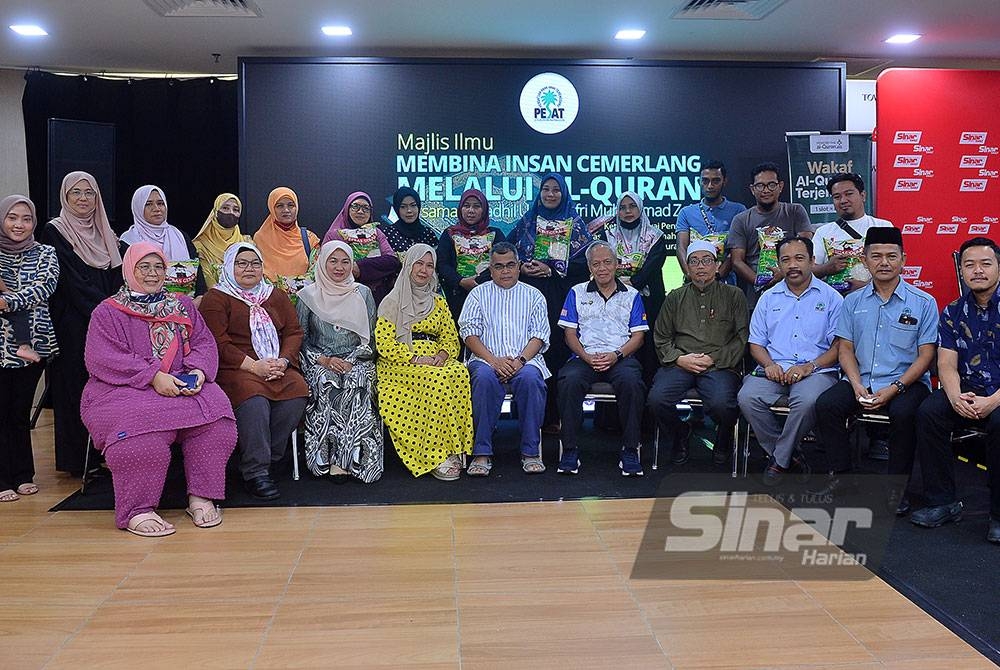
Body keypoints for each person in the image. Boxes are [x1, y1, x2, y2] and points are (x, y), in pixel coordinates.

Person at [80, 242, 236, 535]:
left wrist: (198, 371)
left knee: (217, 421)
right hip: (124, 390)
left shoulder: (183, 306)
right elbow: (102, 357)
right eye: (144, 267)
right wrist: (152, 376)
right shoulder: (107, 312)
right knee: (140, 438)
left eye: (158, 267)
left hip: (180, 383)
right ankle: (137, 510)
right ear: (129, 269)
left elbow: (203, 342)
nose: (152, 274)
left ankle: (201, 496)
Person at [811, 227, 937, 512]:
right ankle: (841, 477)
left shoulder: (923, 302)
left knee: (905, 413)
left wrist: (895, 389)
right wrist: (855, 384)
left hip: (906, 382)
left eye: (892, 256)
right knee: (827, 405)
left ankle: (896, 488)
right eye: (876, 256)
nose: (884, 262)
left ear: (903, 260)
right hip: (862, 378)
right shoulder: (852, 302)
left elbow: (926, 355)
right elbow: (845, 349)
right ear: (864, 260)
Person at [200, 242, 309, 500]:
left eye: (255, 263)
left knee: (297, 390)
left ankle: (266, 457)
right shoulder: (217, 298)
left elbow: (293, 331)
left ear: (263, 267)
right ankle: (256, 472)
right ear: (229, 266)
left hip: (274, 364)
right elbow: (217, 341)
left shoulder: (275, 295)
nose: (249, 268)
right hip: (236, 367)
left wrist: (283, 361)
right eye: (241, 263)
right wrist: (254, 366)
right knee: (254, 398)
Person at [910, 237, 1000, 543]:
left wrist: (993, 401)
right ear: (960, 270)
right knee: (929, 412)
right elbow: (946, 364)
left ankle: (998, 514)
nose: (977, 270)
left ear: (998, 267)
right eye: (969, 264)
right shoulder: (952, 311)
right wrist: (954, 396)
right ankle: (942, 502)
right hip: (967, 388)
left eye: (985, 264)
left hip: (999, 394)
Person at [737, 236, 842, 485]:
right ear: (779, 264)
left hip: (817, 369)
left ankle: (779, 460)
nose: (792, 265)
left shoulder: (832, 298)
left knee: (807, 401)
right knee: (747, 397)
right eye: (786, 259)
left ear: (812, 261)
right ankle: (788, 454)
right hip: (774, 368)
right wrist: (769, 365)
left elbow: (839, 347)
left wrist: (809, 366)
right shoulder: (768, 298)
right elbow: (756, 344)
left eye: (799, 258)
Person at [42, 172, 124, 476]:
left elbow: (116, 275)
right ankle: (76, 460)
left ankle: (104, 452)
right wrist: (107, 311)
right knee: (74, 387)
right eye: (75, 192)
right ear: (65, 196)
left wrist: (114, 312)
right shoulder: (55, 231)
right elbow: (70, 280)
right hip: (74, 324)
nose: (82, 199)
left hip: (108, 322)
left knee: (106, 388)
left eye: (89, 193)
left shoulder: (106, 232)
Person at [375, 243, 473, 480]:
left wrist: (441, 356)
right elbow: (384, 343)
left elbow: (451, 337)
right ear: (408, 265)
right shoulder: (392, 301)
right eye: (419, 263)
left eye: (430, 265)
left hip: (434, 358)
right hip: (399, 363)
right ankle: (435, 454)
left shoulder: (438, 301)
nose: (424, 270)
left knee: (459, 373)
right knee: (436, 380)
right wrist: (416, 358)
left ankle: (453, 448)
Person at [647, 240, 748, 467]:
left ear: (717, 265)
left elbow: (741, 337)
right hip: (680, 362)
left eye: (706, 261)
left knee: (723, 404)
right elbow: (661, 336)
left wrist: (714, 358)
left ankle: (723, 438)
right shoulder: (675, 296)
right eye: (694, 261)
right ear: (687, 267)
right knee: (656, 400)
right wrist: (680, 358)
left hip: (719, 364)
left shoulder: (734, 295)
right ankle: (680, 432)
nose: (700, 266)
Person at [507, 173, 593, 430]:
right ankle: (528, 416)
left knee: (555, 349)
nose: (550, 194)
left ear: (564, 193)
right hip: (527, 295)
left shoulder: (575, 223)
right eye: (546, 189)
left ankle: (554, 417)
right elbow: (506, 251)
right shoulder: (528, 221)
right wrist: (522, 266)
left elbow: (583, 264)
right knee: (528, 346)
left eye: (556, 190)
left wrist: (552, 270)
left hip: (560, 296)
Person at [556, 240, 648, 476]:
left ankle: (630, 449)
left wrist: (616, 355)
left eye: (607, 262)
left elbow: (638, 337)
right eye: (596, 264)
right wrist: (586, 356)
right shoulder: (576, 292)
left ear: (617, 264)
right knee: (569, 381)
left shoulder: (633, 295)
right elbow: (569, 334)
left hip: (620, 355)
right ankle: (569, 449)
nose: (602, 268)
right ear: (589, 267)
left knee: (632, 382)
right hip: (584, 355)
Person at [460, 242, 551, 476]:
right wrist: (493, 360)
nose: (505, 271)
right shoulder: (478, 294)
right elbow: (468, 333)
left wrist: (519, 361)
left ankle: (531, 451)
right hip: (485, 359)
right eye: (499, 267)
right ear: (490, 270)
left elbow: (539, 336)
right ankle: (481, 453)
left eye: (510, 265)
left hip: (526, 360)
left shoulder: (534, 295)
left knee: (531, 379)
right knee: (483, 379)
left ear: (519, 266)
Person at [296, 241, 382, 483]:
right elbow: (300, 339)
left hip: (357, 358)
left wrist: (353, 360)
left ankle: (360, 460)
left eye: (345, 261)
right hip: (320, 361)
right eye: (333, 260)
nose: (339, 267)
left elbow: (373, 336)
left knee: (358, 382)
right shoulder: (307, 295)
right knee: (328, 383)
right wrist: (323, 359)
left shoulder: (362, 293)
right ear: (322, 262)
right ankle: (331, 460)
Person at [0, 195, 59, 503]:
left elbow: (44, 287)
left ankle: (24, 474)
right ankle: (2, 478)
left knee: (19, 412)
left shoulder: (46, 253)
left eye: (25, 218)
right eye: (12, 217)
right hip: (1, 345)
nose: (19, 224)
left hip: (34, 344)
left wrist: (9, 300)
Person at [727, 162, 812, 308]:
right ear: (752, 189)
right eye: (760, 185)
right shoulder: (741, 219)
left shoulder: (795, 211)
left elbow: (804, 249)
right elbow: (736, 261)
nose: (766, 190)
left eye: (771, 185)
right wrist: (760, 282)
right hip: (756, 296)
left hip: (796, 290)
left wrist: (783, 274)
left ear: (780, 186)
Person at [812, 173, 894, 295]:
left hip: (876, 300)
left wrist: (868, 287)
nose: (843, 200)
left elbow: (895, 266)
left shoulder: (883, 227)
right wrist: (826, 268)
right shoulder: (823, 232)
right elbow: (807, 270)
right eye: (837, 197)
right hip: (836, 305)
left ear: (863, 196)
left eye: (849, 194)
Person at [121, 184, 207, 299]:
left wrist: (200, 297)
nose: (156, 209)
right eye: (148, 204)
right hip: (144, 305)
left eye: (160, 203)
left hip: (186, 304)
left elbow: (197, 270)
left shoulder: (180, 236)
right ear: (138, 208)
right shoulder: (129, 241)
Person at [601, 191, 667, 333]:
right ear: (617, 211)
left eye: (632, 206)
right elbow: (602, 264)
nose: (628, 211)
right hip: (614, 296)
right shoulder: (608, 236)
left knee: (648, 344)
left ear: (640, 208)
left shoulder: (656, 236)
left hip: (649, 299)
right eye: (622, 208)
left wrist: (633, 283)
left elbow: (652, 267)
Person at [437, 188, 506, 321]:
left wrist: (479, 282)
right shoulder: (449, 234)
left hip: (492, 296)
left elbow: (504, 262)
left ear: (484, 210)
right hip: (457, 297)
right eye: (466, 205)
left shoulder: (496, 234)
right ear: (460, 208)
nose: (471, 210)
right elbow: (442, 264)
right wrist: (461, 281)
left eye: (476, 206)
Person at [323, 191, 401, 304]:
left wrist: (359, 267)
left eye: (366, 208)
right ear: (346, 209)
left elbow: (391, 261)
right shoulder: (334, 235)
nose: (360, 211)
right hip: (341, 297)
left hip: (376, 296)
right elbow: (327, 268)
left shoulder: (376, 233)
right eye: (355, 206)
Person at [675, 160, 746, 280]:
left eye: (716, 180)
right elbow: (681, 248)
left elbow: (737, 250)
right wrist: (690, 274)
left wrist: (717, 276)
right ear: (699, 182)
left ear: (724, 181)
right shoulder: (686, 213)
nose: (710, 186)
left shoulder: (738, 210)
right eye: (705, 180)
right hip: (694, 282)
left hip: (727, 282)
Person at [252, 186, 321, 288]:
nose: (286, 210)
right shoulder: (260, 238)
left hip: (302, 297)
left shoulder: (310, 239)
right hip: (269, 298)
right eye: (280, 206)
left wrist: (293, 288)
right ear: (272, 208)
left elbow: (315, 271)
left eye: (291, 205)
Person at [192, 192, 251, 288]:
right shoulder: (200, 246)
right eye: (225, 208)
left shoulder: (247, 243)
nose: (231, 212)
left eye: (236, 210)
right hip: (215, 298)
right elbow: (207, 280)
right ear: (215, 212)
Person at [379, 186, 439, 256]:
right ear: (397, 209)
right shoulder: (388, 234)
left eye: (413, 205)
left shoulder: (428, 234)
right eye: (403, 207)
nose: (409, 210)